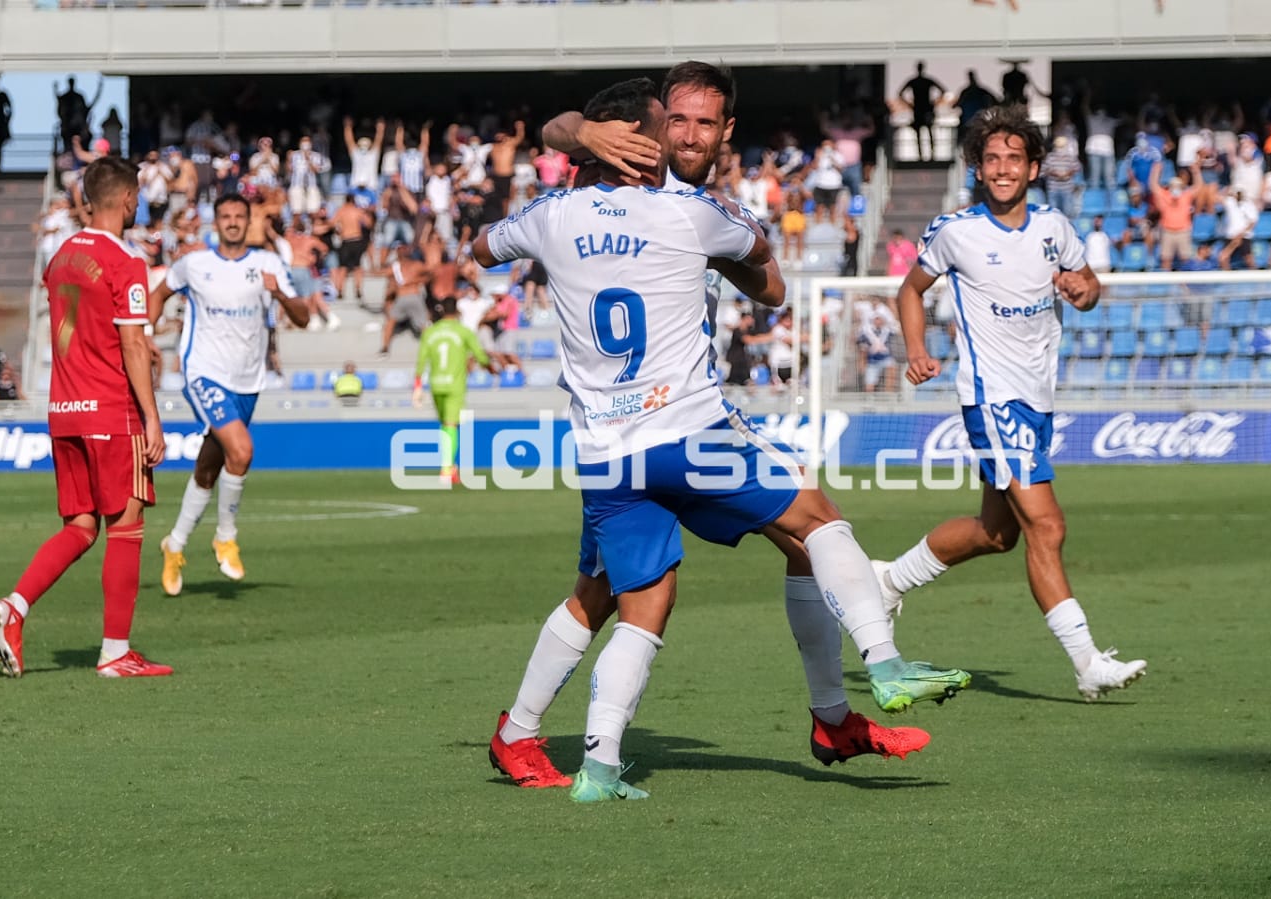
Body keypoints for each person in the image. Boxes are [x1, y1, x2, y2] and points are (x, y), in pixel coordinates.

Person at [482, 78, 968, 804]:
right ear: (644, 136)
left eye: (702, 123)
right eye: (673, 121)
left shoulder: (573, 209)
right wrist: (593, 145)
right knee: (795, 527)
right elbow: (767, 277)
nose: (686, 134)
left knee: (667, 583)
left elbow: (490, 237)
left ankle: (814, 721)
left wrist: (592, 151)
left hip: (612, 446)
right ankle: (880, 664)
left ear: (723, 130)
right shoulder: (685, 206)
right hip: (681, 429)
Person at [873, 104, 1148, 702]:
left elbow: (1089, 287)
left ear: (1033, 168)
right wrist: (916, 349)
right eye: (992, 159)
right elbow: (910, 289)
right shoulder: (955, 231)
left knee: (998, 533)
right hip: (992, 397)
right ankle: (1087, 663)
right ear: (977, 167)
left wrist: (1085, 290)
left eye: (1013, 159)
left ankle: (888, 580)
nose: (1002, 169)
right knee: (1047, 525)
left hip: (1037, 398)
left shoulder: (1054, 227)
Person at [0, 156, 171, 679]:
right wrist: (152, 419)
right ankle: (116, 652)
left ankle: (15, 608)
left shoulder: (62, 254)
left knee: (81, 525)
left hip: (64, 410)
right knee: (128, 524)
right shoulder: (125, 262)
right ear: (130, 199)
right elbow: (133, 342)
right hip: (112, 410)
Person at [148, 192, 309, 598]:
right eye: (225, 216)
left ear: (249, 221)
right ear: (215, 222)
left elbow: (303, 318)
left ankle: (175, 544)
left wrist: (281, 294)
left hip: (248, 380)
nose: (233, 222)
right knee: (241, 451)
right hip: (204, 372)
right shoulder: (194, 264)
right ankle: (225, 536)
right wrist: (147, 336)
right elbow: (157, 295)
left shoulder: (268, 264)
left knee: (208, 468)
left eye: (240, 216)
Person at [413, 296, 500, 485]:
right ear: (458, 312)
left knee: (444, 425)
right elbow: (479, 354)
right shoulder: (463, 331)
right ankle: (446, 470)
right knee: (451, 425)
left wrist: (417, 386)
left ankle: (450, 467)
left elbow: (421, 360)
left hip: (436, 384)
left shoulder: (431, 332)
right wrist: (491, 368)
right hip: (455, 385)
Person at [899, 62, 945, 162]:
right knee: (929, 132)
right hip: (926, 108)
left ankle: (921, 156)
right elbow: (943, 90)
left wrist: (909, 105)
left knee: (920, 133)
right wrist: (934, 103)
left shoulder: (914, 81)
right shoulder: (927, 81)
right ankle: (931, 155)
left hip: (919, 109)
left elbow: (900, 93)